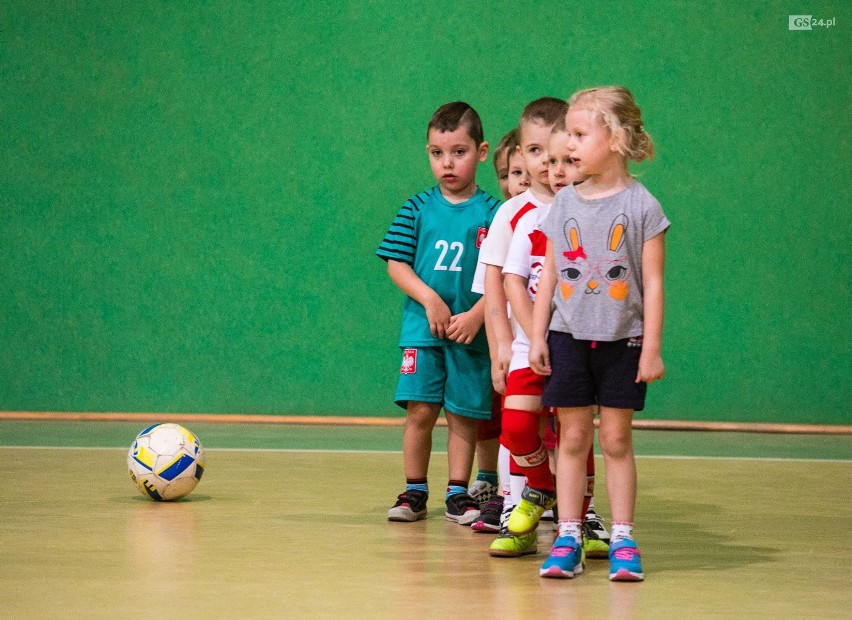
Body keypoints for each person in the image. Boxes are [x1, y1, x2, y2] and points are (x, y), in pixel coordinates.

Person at [530, 86, 669, 581]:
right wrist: (538, 333)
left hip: (622, 341)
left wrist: (650, 347)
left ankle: (624, 538)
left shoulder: (642, 205)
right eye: (567, 131)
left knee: (614, 440)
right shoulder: (563, 201)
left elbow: (652, 282)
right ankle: (567, 536)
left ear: (615, 139)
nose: (568, 142)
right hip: (567, 336)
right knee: (572, 437)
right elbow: (548, 272)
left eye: (580, 132)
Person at [377, 101, 500, 526]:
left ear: (481, 152)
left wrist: (479, 314)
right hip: (422, 331)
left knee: (464, 413)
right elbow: (397, 263)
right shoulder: (416, 208)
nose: (447, 163)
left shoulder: (495, 213)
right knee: (421, 411)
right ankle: (414, 490)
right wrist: (430, 299)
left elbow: (505, 276)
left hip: (470, 334)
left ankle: (457, 492)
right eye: (437, 153)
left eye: (459, 152)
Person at [472, 97, 568, 556]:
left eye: (552, 151)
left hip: (570, 345)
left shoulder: (583, 206)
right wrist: (501, 347)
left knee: (571, 429)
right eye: (532, 152)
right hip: (524, 345)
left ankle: (578, 511)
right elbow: (496, 288)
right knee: (517, 428)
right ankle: (522, 496)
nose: (542, 164)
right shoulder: (511, 214)